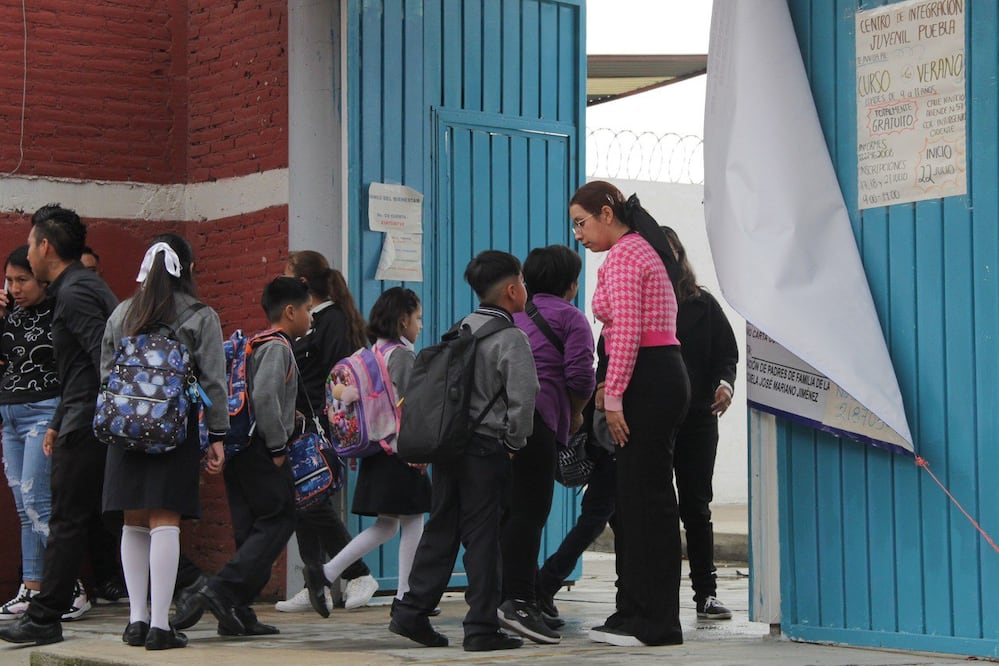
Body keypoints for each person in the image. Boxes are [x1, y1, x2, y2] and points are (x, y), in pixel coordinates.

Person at [389, 250, 539, 653]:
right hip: (486, 452)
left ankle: (411, 612)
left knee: (441, 530)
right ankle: (481, 628)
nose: (525, 289)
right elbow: (525, 399)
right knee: (485, 539)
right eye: (522, 282)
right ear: (511, 290)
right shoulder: (511, 338)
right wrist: (513, 443)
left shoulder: (459, 330)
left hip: (449, 448)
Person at [569, 181, 690, 647]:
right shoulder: (639, 250)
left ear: (606, 212)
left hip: (649, 377)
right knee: (639, 500)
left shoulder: (624, 255)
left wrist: (613, 395)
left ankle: (654, 623)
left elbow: (627, 332)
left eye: (582, 222)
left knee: (648, 502)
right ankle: (634, 613)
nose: (578, 234)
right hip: (660, 374)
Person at [99, 235, 228, 650]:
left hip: (124, 431)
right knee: (165, 521)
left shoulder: (122, 313)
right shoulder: (199, 315)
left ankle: (135, 621)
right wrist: (218, 434)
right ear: (187, 269)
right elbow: (211, 381)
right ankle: (159, 625)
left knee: (132, 520)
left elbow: (105, 375)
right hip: (174, 430)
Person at [0, 204, 118, 646]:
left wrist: (74, 418)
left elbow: (101, 362)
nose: (26, 254)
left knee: (68, 518)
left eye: (30, 244)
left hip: (86, 422)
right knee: (110, 519)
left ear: (45, 246)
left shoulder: (73, 294)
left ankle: (46, 613)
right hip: (73, 417)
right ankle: (201, 589)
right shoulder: (78, 287)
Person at [172, 277, 307, 637]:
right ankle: (218, 591)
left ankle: (237, 612)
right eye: (308, 310)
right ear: (290, 311)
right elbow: (264, 397)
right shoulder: (278, 347)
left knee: (249, 532)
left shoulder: (253, 342)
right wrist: (278, 446)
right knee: (280, 518)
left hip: (236, 449)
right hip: (262, 449)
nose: (311, 317)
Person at [305, 287, 432, 615]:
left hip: (375, 450)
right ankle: (406, 596)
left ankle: (327, 572)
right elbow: (411, 404)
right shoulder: (401, 355)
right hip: (400, 450)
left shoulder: (370, 353)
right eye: (417, 318)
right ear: (403, 321)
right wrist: (421, 447)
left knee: (388, 524)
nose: (421, 325)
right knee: (413, 520)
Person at [498, 245, 594, 644]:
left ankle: (510, 597)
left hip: (499, 425)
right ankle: (519, 602)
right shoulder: (572, 319)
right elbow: (581, 377)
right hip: (538, 423)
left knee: (506, 513)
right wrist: (575, 413)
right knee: (530, 514)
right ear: (571, 285)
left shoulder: (513, 315)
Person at [276, 250, 378, 613]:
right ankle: (315, 581)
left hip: (322, 428)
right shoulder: (310, 321)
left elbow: (339, 376)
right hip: (301, 430)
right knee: (304, 502)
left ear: (302, 283)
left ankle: (358, 573)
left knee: (314, 502)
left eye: (287, 276)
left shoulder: (330, 320)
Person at [661, 226, 738, 620]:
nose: (666, 260)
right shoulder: (636, 304)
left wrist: (725, 385)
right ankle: (654, 595)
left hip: (697, 421)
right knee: (656, 509)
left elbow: (727, 354)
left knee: (696, 507)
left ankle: (705, 593)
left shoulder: (702, 304)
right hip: (653, 422)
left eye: (672, 252)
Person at [0, 246, 61, 621]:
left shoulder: (59, 311)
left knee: (39, 502)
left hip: (45, 410)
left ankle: (66, 585)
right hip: (9, 414)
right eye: (9, 280)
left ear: (41, 278)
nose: (15, 287)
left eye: (22, 279)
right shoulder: (10, 315)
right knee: (25, 509)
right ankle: (33, 586)